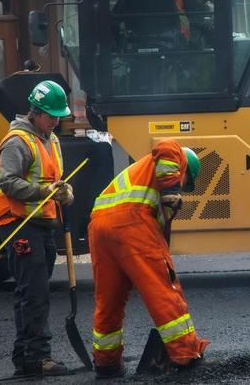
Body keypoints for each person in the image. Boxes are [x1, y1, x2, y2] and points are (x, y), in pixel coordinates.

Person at [88, 139, 211, 379]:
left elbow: (161, 236)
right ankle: (186, 355)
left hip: (99, 226)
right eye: (186, 183)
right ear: (184, 170)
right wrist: (172, 190)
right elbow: (166, 145)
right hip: (131, 222)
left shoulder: (140, 178)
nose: (183, 187)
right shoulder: (176, 157)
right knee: (163, 290)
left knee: (109, 300)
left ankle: (107, 363)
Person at [0, 80, 75, 376]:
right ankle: (38, 357)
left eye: (57, 116)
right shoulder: (17, 142)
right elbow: (7, 182)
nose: (56, 121)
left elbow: (51, 180)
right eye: (51, 115)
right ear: (36, 112)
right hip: (18, 224)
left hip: (41, 222)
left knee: (31, 290)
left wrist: (64, 191)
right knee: (35, 291)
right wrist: (45, 193)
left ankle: (24, 356)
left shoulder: (49, 139)